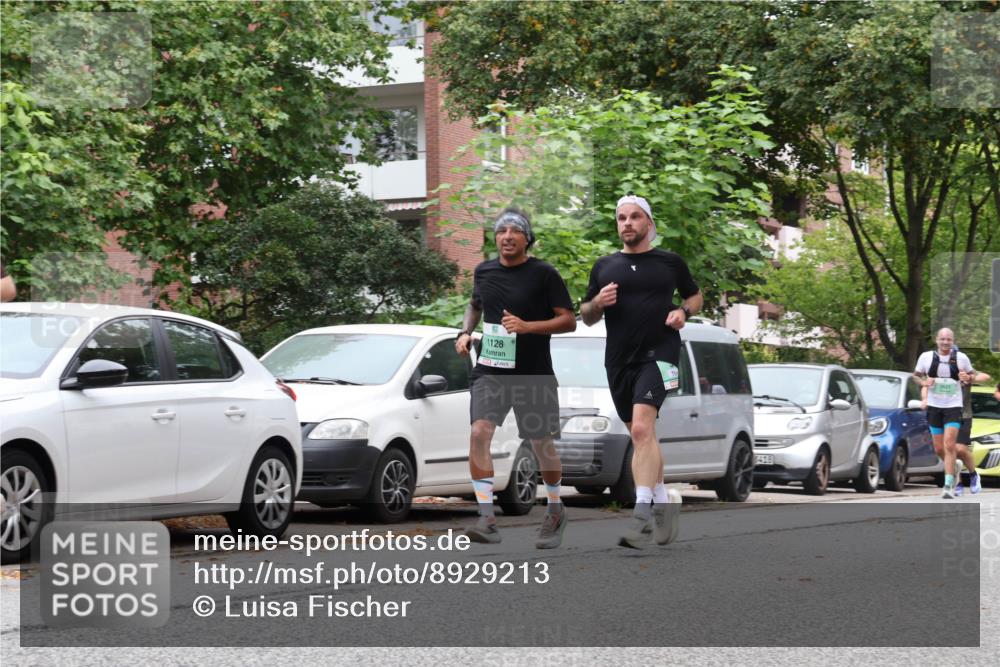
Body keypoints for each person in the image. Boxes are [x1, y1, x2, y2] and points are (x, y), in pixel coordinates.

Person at [580, 195, 703, 548]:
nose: (627, 223)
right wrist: (597, 304)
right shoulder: (604, 266)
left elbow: (695, 296)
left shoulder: (669, 262)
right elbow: (587, 314)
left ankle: (641, 514)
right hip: (619, 359)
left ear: (648, 223)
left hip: (661, 354)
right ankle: (663, 502)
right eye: (621, 218)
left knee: (640, 427)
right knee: (643, 436)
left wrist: (683, 312)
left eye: (635, 217)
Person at [454, 207, 576, 548]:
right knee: (480, 432)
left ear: (527, 238)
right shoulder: (484, 270)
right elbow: (475, 304)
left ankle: (554, 508)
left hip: (533, 372)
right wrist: (465, 332)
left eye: (514, 231)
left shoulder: (544, 274)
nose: (507, 236)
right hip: (491, 368)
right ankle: (487, 518)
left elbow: (568, 320)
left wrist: (527, 327)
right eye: (501, 231)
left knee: (541, 444)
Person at [914, 328, 974, 499]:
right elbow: (915, 376)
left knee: (949, 444)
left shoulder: (961, 358)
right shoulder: (926, 357)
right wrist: (925, 382)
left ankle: (948, 485)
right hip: (934, 406)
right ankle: (954, 465)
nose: (946, 342)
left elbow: (971, 375)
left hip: (953, 406)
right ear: (937, 340)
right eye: (943, 339)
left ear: (953, 340)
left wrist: (966, 377)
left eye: (949, 339)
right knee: (939, 448)